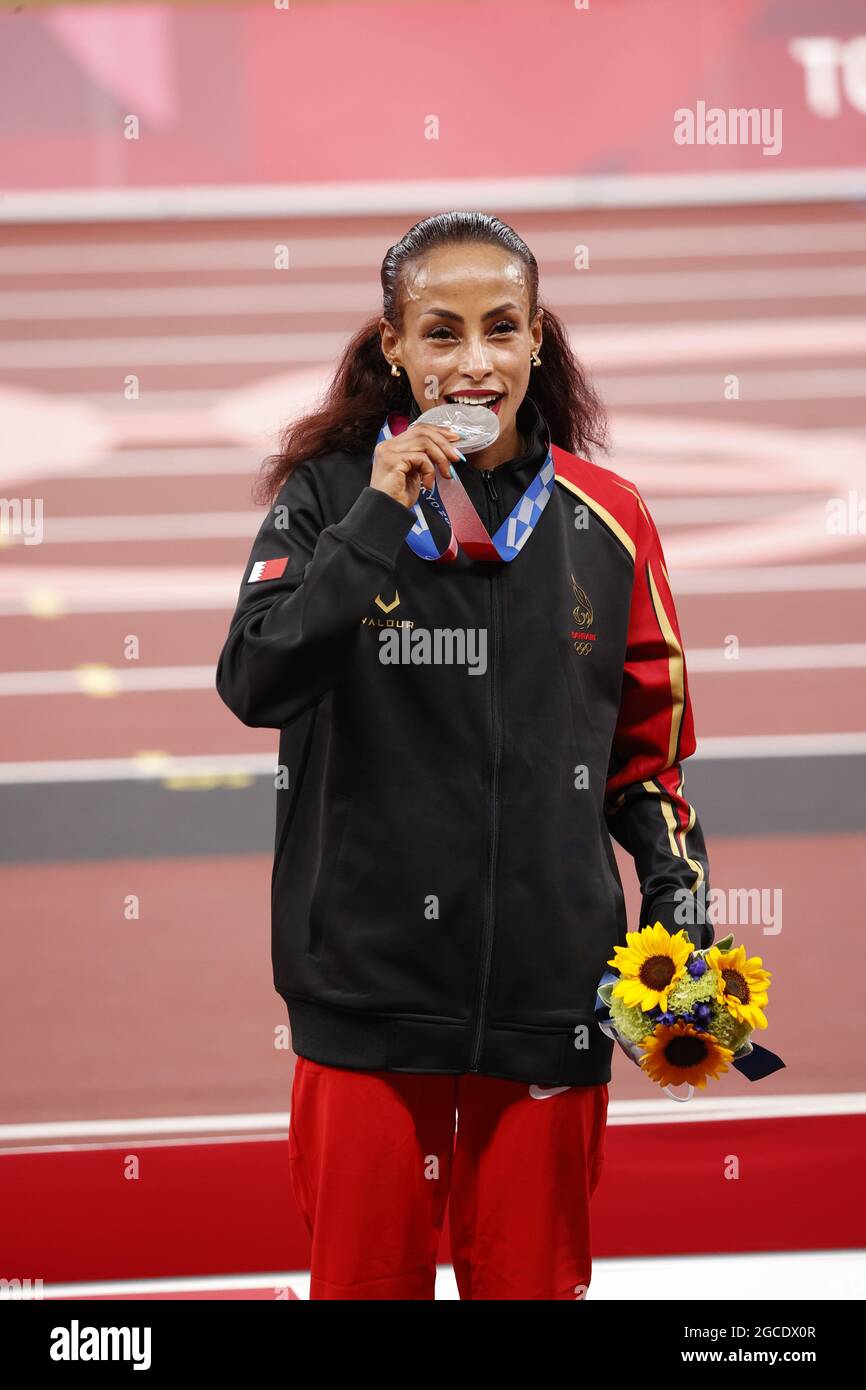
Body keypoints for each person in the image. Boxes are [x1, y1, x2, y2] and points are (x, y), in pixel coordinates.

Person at [216, 211, 713, 1300]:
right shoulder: (330, 500)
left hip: (551, 995)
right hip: (366, 995)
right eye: (439, 333)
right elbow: (256, 678)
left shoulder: (607, 518)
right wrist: (379, 514)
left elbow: (648, 755)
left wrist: (678, 913)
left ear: (539, 338)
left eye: (500, 329)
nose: (473, 363)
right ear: (392, 346)